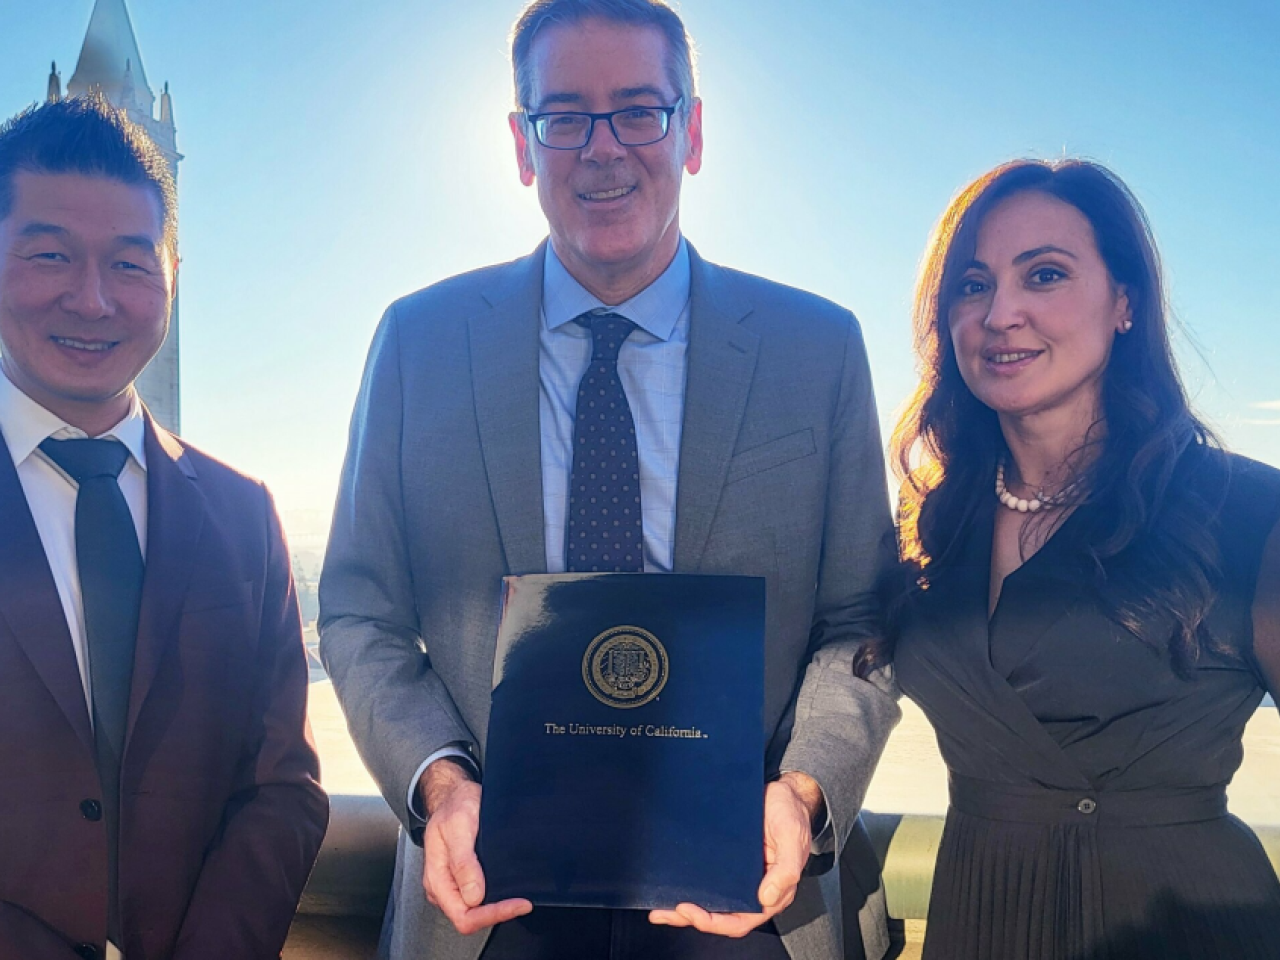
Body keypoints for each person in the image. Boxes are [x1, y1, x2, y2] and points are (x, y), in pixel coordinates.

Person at [319, 1, 900, 958]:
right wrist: (441, 782)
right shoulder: (418, 343)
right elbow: (357, 610)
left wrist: (802, 789)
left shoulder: (817, 348)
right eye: (565, 117)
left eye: (639, 110)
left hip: (749, 901)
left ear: (694, 130)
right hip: (489, 907)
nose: (603, 148)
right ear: (521, 144)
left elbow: (862, 622)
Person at [884, 158, 1280, 958]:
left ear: (1124, 302)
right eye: (972, 284)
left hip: (1186, 926)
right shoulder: (933, 522)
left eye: (1046, 275)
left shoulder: (1247, 511)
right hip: (978, 919)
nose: (1002, 313)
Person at [0, 95, 328, 960]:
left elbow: (282, 787)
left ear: (175, 273)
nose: (94, 298)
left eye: (131, 264)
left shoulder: (242, 513)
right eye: (49, 254)